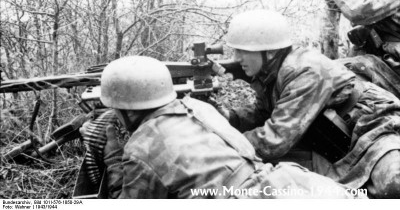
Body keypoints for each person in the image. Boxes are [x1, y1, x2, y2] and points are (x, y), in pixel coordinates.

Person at [80, 55, 355, 199]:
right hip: (289, 184)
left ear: (126, 110)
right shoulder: (200, 108)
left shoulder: (141, 146)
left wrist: (115, 155)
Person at [219, 9, 400, 198]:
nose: (236, 58)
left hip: (374, 124)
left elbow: (274, 141)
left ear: (270, 52)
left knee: (392, 184)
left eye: (242, 51)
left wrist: (227, 145)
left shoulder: (304, 70)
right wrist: (231, 118)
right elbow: (264, 113)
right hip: (333, 137)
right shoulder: (270, 72)